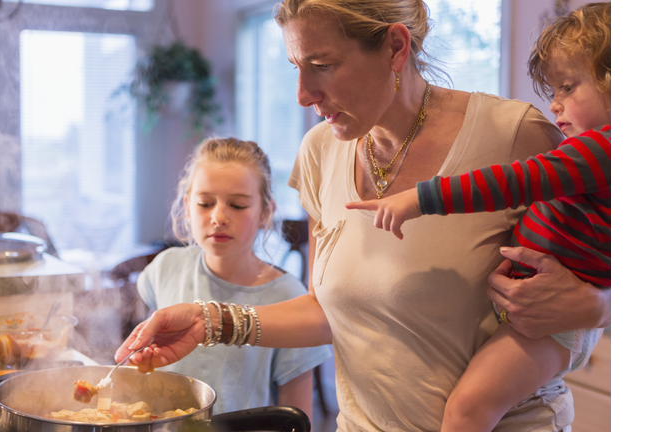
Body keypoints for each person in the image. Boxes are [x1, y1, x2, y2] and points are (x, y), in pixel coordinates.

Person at [116, 2, 611, 430]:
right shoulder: (319, 153)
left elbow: (597, 260)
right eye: (296, 67)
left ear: (396, 47)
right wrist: (210, 320)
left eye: (323, 65)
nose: (303, 94)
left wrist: (601, 308)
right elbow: (331, 311)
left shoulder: (512, 135)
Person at [345, 4, 611, 431]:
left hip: (546, 327)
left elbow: (514, 181)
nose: (555, 106)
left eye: (567, 87)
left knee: (468, 409)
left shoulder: (602, 149)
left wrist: (418, 199)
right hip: (534, 314)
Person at [134, 137, 332, 419]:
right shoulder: (166, 267)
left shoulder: (291, 297)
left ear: (265, 213)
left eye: (237, 206)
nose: (218, 217)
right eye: (205, 203)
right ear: (188, 206)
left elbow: (296, 417)